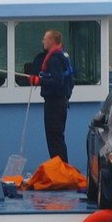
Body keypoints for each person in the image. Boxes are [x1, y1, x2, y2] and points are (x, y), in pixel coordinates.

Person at [30, 30, 74, 162]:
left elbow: (57, 81)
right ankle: (62, 169)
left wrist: (39, 81)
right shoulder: (63, 56)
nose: (43, 41)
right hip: (61, 102)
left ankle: (59, 170)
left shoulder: (55, 59)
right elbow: (68, 82)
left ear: (51, 41)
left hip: (54, 103)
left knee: (54, 138)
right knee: (58, 137)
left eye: (45, 39)